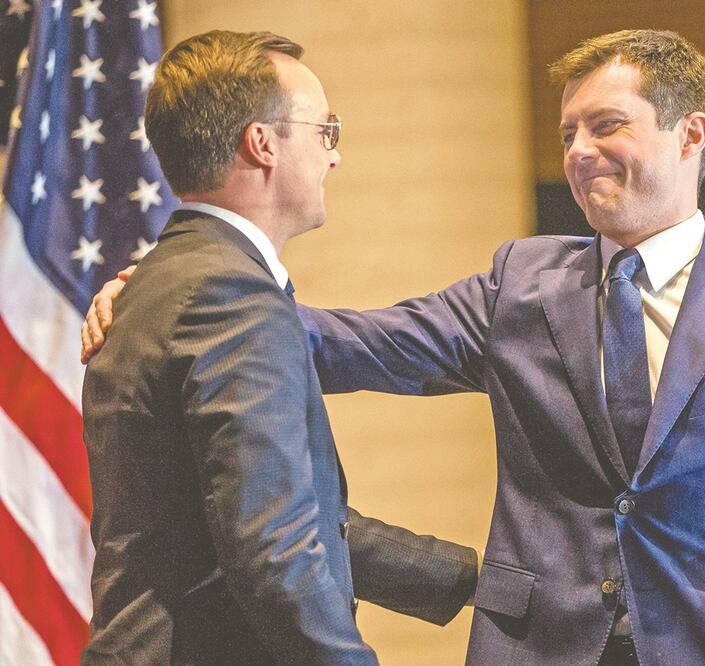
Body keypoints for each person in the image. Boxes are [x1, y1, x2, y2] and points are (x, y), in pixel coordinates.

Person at [83, 29, 705, 665]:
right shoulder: (522, 281)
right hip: (537, 646)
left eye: (606, 125)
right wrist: (166, 299)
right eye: (567, 133)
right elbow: (353, 343)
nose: (579, 151)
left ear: (689, 133)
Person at [80, 30, 476, 665]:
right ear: (262, 143)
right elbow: (274, 549)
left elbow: (266, 519)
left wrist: (481, 581)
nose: (334, 156)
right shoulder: (229, 291)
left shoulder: (163, 281)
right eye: (325, 131)